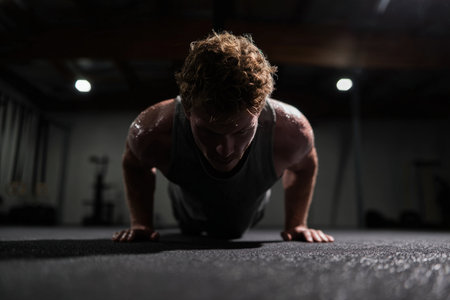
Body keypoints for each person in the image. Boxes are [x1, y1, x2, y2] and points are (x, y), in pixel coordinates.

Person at [112, 31, 334, 243]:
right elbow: (134, 163)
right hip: (188, 211)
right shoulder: (152, 130)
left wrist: (297, 224)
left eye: (241, 131)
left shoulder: (293, 131)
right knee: (191, 225)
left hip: (250, 210)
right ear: (188, 110)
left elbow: (305, 165)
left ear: (259, 111)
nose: (225, 149)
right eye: (208, 131)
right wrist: (141, 223)